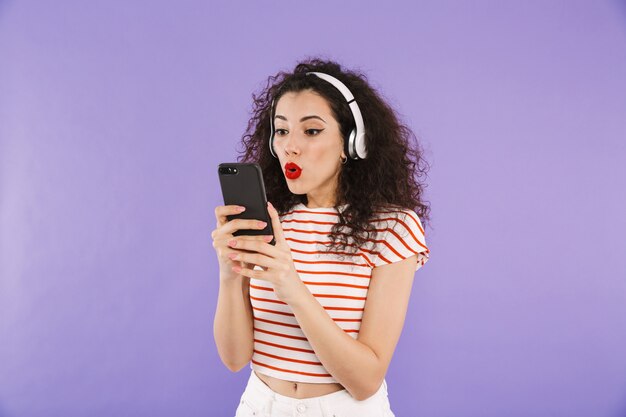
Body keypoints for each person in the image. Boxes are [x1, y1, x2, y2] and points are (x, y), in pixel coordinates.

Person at [212, 58, 431, 417]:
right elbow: (234, 359)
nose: (290, 147)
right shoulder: (270, 221)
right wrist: (229, 274)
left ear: (352, 143)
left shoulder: (393, 227)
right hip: (260, 406)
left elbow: (366, 380)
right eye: (281, 131)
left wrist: (291, 287)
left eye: (311, 131)